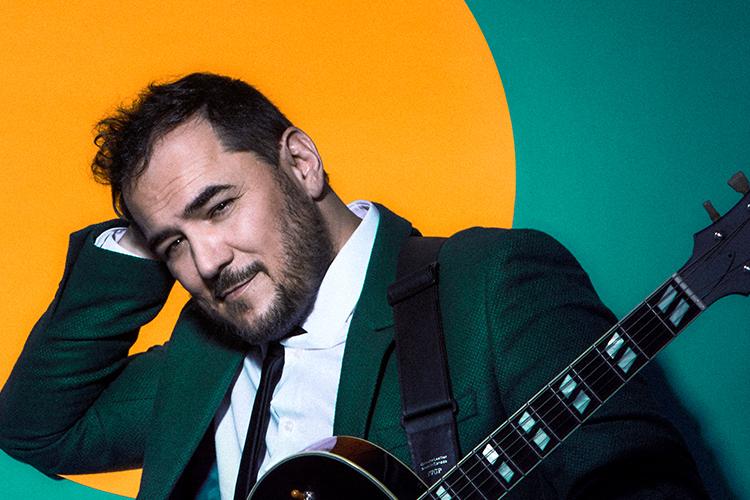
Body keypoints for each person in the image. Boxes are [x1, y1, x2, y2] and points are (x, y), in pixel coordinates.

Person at [0, 73, 707, 499]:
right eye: (174, 244)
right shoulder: (205, 353)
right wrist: (145, 234)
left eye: (218, 207)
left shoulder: (492, 284)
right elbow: (39, 429)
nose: (206, 261)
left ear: (301, 163)